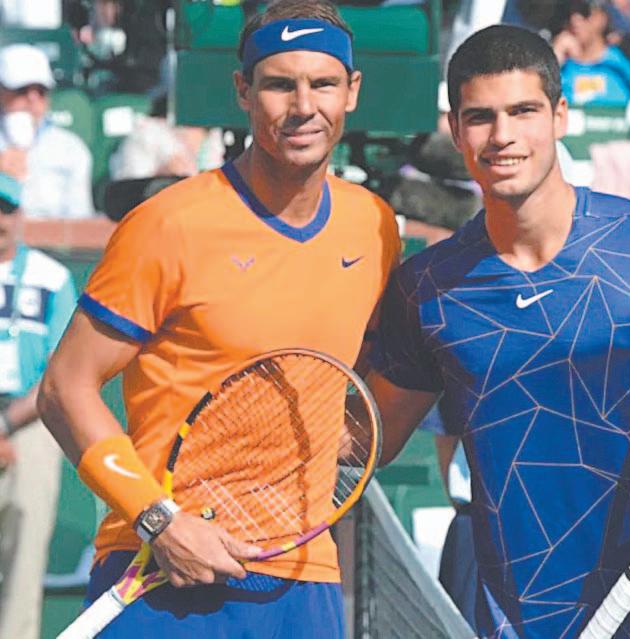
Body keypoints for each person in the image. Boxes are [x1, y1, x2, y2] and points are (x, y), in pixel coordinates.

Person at [37, 0, 400, 636]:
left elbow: (354, 379)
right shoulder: (167, 224)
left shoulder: (373, 227)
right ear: (243, 91)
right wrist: (158, 519)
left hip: (303, 581)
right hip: (160, 571)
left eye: (323, 83)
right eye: (280, 84)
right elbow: (64, 388)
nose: (303, 106)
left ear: (353, 91)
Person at [367, 25, 630, 638]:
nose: (502, 135)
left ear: (560, 115)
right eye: (480, 117)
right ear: (456, 130)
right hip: (521, 620)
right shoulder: (426, 287)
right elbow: (367, 441)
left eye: (523, 111)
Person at [0, 172, 77, 639]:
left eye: (6, 209)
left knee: (26, 559)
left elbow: (60, 370)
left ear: (20, 214)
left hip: (28, 420)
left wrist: (6, 426)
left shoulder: (51, 276)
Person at [0, 44, 95, 219]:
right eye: (21, 90)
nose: (32, 99)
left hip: (51, 234)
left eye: (41, 91)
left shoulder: (70, 148)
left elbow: (80, 218)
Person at [553, 0, 630, 107]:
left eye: (584, 11)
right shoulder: (560, 66)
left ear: (602, 17)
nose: (574, 19)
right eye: (568, 12)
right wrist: (554, 59)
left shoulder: (622, 63)